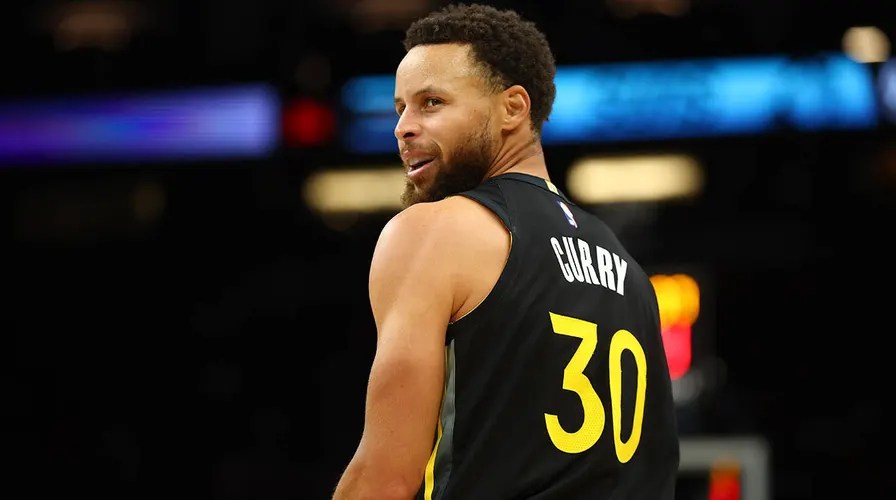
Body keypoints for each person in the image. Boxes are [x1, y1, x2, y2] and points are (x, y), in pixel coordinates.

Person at [332, 3, 680, 499]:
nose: (402, 127)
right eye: (400, 108)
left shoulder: (433, 231)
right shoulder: (630, 272)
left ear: (513, 108)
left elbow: (385, 479)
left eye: (431, 102)